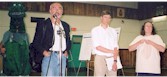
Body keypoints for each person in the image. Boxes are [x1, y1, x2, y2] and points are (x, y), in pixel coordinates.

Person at [32, 2, 71, 76]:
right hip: (49, 56)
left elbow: (68, 41)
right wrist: (44, 52)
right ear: (50, 11)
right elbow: (36, 42)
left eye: (60, 8)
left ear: (62, 12)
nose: (57, 10)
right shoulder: (43, 24)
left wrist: (66, 51)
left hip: (62, 57)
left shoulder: (65, 25)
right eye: (54, 8)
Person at [91, 10, 120, 76]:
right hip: (100, 57)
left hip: (112, 58)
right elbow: (98, 47)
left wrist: (115, 61)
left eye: (109, 18)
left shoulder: (113, 31)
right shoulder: (95, 30)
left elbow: (115, 47)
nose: (107, 19)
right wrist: (112, 51)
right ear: (101, 18)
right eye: (105, 17)